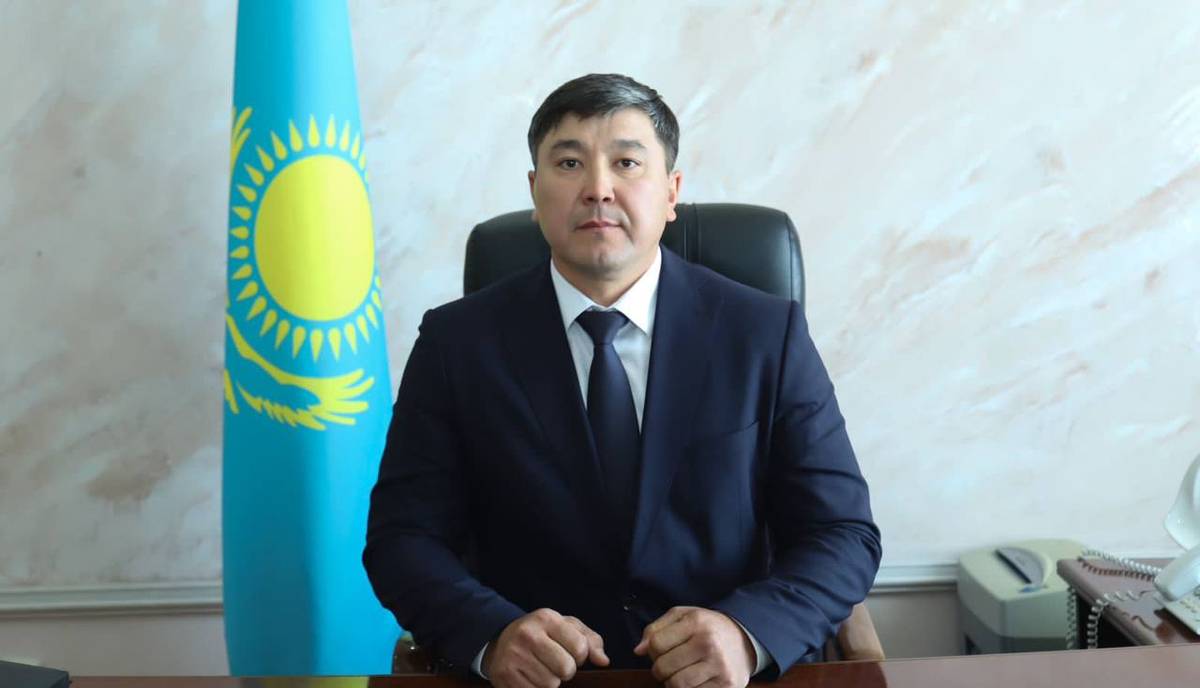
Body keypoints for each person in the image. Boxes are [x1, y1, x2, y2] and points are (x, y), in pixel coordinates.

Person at [364, 73, 881, 688]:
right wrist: (492, 635)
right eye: (569, 163)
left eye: (627, 163)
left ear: (671, 192)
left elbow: (841, 532)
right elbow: (403, 538)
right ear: (535, 192)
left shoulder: (765, 334)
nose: (598, 189)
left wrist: (747, 635)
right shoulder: (456, 344)